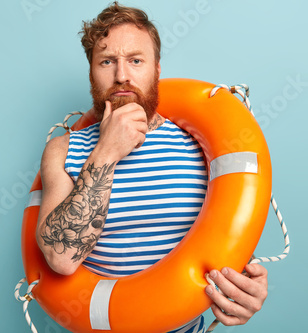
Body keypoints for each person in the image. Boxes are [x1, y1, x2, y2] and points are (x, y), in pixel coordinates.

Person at [35, 2, 268, 332]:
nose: (122, 75)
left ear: (157, 69)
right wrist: (106, 152)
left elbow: (226, 240)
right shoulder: (62, 150)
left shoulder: (201, 145)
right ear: (92, 72)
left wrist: (246, 291)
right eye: (107, 62)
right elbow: (61, 258)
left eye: (135, 60)